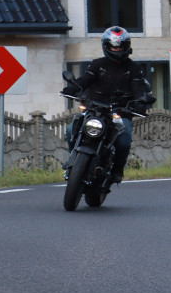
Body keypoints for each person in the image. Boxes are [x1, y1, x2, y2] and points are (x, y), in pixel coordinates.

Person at [60, 26, 155, 185]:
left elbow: (138, 88)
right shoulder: (97, 64)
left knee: (124, 138)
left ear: (127, 46)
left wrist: (140, 103)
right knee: (71, 129)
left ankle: (117, 170)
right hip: (94, 109)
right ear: (106, 46)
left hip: (120, 113)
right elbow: (85, 80)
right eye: (114, 46)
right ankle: (73, 159)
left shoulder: (134, 69)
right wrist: (73, 88)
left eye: (120, 46)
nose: (117, 49)